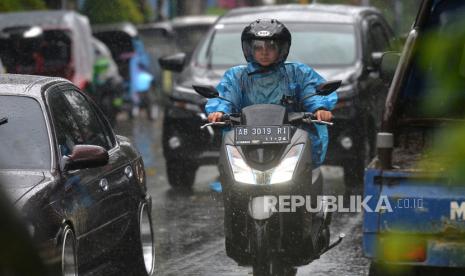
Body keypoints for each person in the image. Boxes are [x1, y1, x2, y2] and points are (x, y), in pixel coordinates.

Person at [205, 19, 338, 167]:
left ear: (281, 48)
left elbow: (312, 92)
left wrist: (320, 108)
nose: (264, 52)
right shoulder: (236, 76)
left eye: (271, 46)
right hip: (247, 143)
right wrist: (218, 111)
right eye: (258, 47)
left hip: (290, 143)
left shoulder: (297, 72)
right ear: (249, 48)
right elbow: (225, 95)